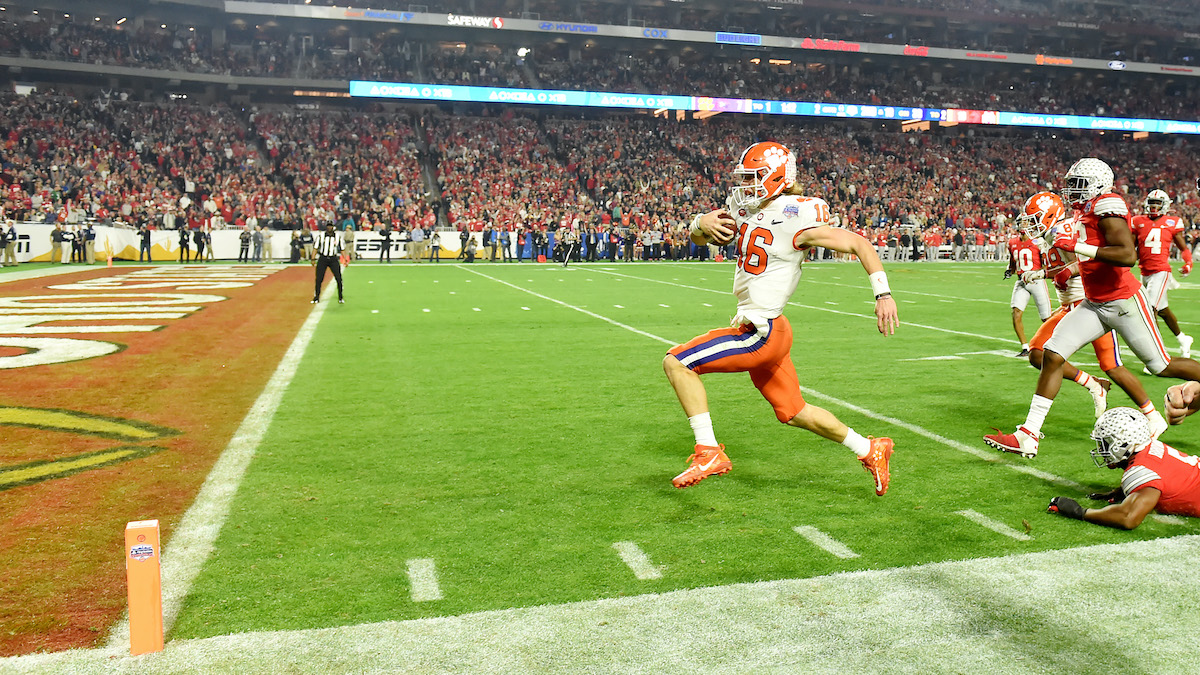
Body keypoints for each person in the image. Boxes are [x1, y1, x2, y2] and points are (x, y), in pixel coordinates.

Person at [664, 141, 899, 494]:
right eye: (744, 178)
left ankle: (709, 451)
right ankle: (870, 449)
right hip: (767, 328)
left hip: (762, 330)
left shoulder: (796, 215)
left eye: (754, 177)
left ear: (778, 177)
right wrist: (701, 222)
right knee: (793, 410)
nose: (746, 186)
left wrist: (882, 293)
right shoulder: (744, 207)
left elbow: (858, 243)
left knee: (677, 363)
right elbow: (700, 238)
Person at [986, 158, 1200, 459]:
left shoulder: (1107, 205)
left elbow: (1126, 255)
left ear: (1096, 185)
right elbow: (1080, 250)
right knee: (1052, 354)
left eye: (1079, 184)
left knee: (1161, 366)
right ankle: (1028, 434)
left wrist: (1076, 246)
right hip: (1095, 302)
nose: (1073, 189)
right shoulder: (1084, 211)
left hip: (1124, 301)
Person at [1016, 191, 1154, 420]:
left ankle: (1152, 415)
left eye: (1034, 218)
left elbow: (1089, 261)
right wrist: (1043, 273)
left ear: (1050, 215)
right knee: (1038, 354)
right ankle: (1094, 385)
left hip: (1089, 305)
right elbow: (1060, 268)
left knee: (1112, 367)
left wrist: (1068, 270)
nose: (1030, 225)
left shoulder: (1068, 229)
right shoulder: (1047, 236)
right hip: (1067, 308)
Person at [1047, 407, 1200, 529]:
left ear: (1122, 443)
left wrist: (1080, 512)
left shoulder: (1140, 470)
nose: (1101, 449)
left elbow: (1128, 517)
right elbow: (1169, 476)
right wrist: (1120, 492)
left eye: (1105, 442)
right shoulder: (1151, 447)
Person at [1131, 189, 1192, 358]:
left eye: (1157, 203)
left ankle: (1155, 354)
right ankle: (1183, 339)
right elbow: (1131, 248)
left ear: (1164, 206)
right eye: (1151, 203)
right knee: (1163, 310)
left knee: (1149, 310)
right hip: (1145, 272)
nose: (1154, 207)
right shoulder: (1137, 221)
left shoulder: (1172, 223)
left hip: (1161, 271)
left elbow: (1183, 248)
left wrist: (1188, 263)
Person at [1005, 223, 1052, 357]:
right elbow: (1013, 262)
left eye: (1025, 223)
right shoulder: (1013, 242)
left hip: (1036, 280)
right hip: (1021, 280)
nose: (1023, 226)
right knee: (1016, 313)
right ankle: (1025, 347)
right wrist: (1009, 270)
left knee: (1046, 318)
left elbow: (1046, 262)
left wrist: (1043, 273)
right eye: (1021, 223)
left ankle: (1056, 343)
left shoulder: (1038, 241)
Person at [311, 221, 345, 305]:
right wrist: (313, 258)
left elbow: (342, 249)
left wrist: (345, 259)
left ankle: (340, 297)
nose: (329, 228)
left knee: (339, 278)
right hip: (323, 258)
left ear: (333, 227)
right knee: (319, 278)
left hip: (333, 258)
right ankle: (316, 297)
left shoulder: (337, 237)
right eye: (328, 226)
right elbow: (315, 248)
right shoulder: (321, 236)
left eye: (331, 226)